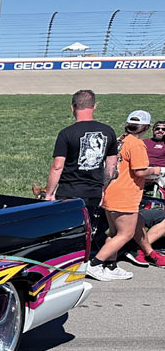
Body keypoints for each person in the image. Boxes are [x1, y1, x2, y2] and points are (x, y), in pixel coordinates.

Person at [88, 111, 165, 281]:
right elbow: (140, 171)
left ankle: (110, 265)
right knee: (126, 234)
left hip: (112, 191)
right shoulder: (136, 144)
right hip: (125, 195)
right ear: (145, 127)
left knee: (115, 233)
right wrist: (157, 170)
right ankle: (95, 264)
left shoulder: (120, 141)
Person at [44, 90, 118, 249]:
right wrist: (103, 188)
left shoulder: (66, 133)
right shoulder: (108, 131)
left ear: (73, 108)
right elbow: (111, 168)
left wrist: (49, 193)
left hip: (69, 190)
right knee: (88, 228)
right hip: (93, 191)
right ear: (95, 106)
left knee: (66, 229)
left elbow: (57, 166)